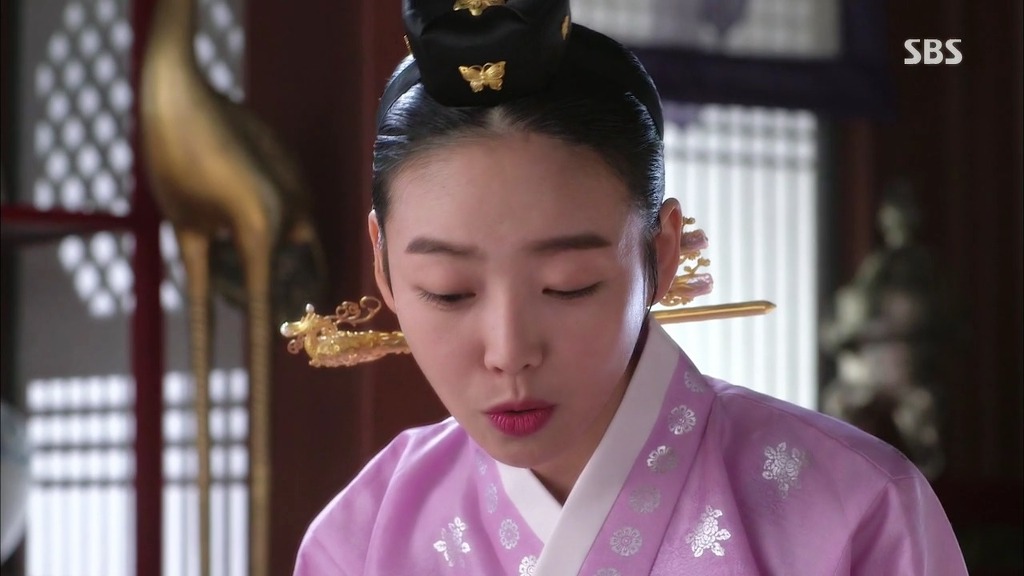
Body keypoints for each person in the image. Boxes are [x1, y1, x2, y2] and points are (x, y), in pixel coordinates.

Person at [292, 1, 968, 574]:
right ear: (384, 264)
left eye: (569, 285)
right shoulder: (364, 537)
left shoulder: (857, 511)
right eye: (448, 291)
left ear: (661, 252)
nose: (509, 351)